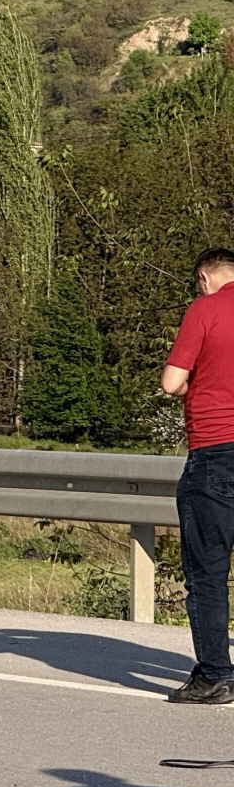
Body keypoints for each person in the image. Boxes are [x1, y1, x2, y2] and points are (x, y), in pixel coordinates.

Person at [160, 247, 234, 704]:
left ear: (205, 277)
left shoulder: (204, 309)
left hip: (215, 452)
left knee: (208, 571)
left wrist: (194, 380)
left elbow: (172, 381)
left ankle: (216, 674)